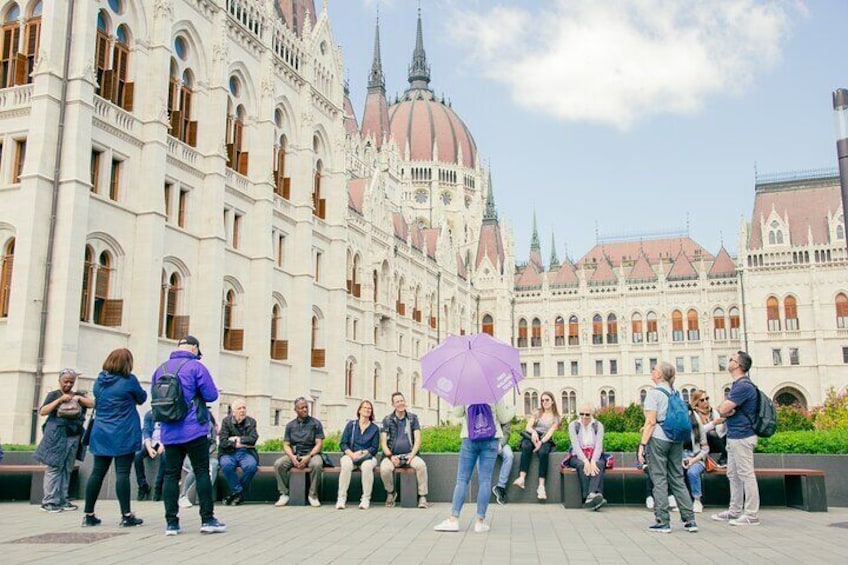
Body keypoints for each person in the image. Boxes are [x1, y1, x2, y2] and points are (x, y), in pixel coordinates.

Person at [151, 335, 225, 535]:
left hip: (169, 432)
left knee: (171, 475)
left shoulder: (161, 369)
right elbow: (211, 395)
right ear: (194, 349)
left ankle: (171, 523)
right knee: (201, 471)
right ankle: (207, 519)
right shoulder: (196, 367)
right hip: (193, 429)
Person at [82, 348, 146, 527]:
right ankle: (126, 515)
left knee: (97, 472)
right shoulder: (129, 381)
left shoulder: (99, 381)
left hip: (101, 432)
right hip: (123, 432)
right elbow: (141, 398)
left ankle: (88, 514)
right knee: (123, 473)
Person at [638, 361, 698, 533]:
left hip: (659, 438)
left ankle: (663, 520)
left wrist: (642, 445)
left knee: (659, 478)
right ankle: (690, 520)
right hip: (676, 439)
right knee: (677, 477)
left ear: (659, 375)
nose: (652, 371)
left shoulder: (654, 394)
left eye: (654, 369)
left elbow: (650, 422)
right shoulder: (675, 393)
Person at [434, 402, 512, 533]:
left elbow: (457, 413)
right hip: (491, 438)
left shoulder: (465, 391)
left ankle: (453, 519)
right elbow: (504, 418)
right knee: (485, 480)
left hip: (470, 438)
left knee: (462, 480)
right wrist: (512, 409)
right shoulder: (494, 391)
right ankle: (480, 522)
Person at [34, 368, 94, 512]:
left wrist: (78, 399)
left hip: (74, 435)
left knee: (67, 468)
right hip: (56, 435)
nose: (68, 384)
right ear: (59, 381)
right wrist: (59, 400)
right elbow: (42, 411)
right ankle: (49, 501)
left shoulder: (78, 395)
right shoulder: (53, 395)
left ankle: (63, 499)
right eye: (65, 381)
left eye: (71, 382)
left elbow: (92, 404)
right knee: (54, 467)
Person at [711, 351, 761, 526]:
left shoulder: (743, 386)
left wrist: (725, 408)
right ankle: (735, 510)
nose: (728, 361)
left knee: (746, 474)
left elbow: (723, 409)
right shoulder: (737, 385)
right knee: (733, 474)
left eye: (731, 359)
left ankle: (751, 514)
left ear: (738, 365)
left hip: (743, 435)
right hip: (733, 436)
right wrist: (725, 408)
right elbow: (723, 409)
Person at [380, 392, 429, 508]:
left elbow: (417, 439)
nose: (400, 403)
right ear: (393, 404)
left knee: (421, 465)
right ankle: (391, 492)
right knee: (385, 469)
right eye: (397, 401)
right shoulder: (387, 420)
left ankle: (422, 496)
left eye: (402, 400)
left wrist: (412, 455)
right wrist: (391, 456)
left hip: (409, 455)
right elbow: (383, 442)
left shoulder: (412, 418)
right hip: (392, 456)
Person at [274, 397, 325, 508]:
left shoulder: (316, 424)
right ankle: (284, 494)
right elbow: (286, 444)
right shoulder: (290, 426)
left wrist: (309, 456)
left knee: (317, 464)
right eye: (302, 408)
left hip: (312, 454)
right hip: (295, 454)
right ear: (296, 409)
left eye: (306, 407)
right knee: (279, 464)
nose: (305, 409)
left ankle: (313, 495)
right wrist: (292, 457)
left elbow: (319, 444)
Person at [512, 391, 560, 500]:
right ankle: (521, 478)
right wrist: (533, 432)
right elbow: (528, 427)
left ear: (552, 401)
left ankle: (541, 486)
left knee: (543, 452)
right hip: (532, 436)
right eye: (542, 400)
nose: (544, 402)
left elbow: (550, 433)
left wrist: (541, 443)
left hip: (544, 439)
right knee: (526, 446)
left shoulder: (556, 417)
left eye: (547, 400)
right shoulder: (537, 412)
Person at [336, 400, 380, 510]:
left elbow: (374, 448)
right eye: (365, 407)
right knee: (345, 464)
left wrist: (361, 453)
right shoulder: (351, 425)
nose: (367, 410)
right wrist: (351, 454)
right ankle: (341, 498)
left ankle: (365, 498)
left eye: (369, 408)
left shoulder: (374, 428)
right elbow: (343, 443)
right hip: (351, 456)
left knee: (367, 467)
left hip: (367, 457)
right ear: (359, 410)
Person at [566, 404, 608, 510]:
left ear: (592, 414)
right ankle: (592, 495)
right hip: (578, 455)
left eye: (587, 414)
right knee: (580, 465)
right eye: (581, 414)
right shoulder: (573, 425)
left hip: (594, 454)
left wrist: (593, 460)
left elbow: (599, 445)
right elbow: (575, 445)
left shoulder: (598, 425)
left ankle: (590, 496)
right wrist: (585, 461)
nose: (584, 417)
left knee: (599, 464)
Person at [218, 399, 259, 505]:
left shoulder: (251, 421)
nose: (242, 410)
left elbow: (253, 439)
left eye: (244, 408)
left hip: (246, 452)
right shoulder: (226, 421)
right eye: (239, 408)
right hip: (228, 452)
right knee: (226, 465)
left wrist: (236, 439)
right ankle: (238, 492)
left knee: (251, 467)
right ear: (233, 412)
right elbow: (223, 441)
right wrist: (236, 443)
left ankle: (235, 494)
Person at [178, 413, 219, 508]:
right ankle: (183, 495)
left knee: (214, 464)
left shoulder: (210, 425)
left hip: (205, 456)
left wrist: (207, 452)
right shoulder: (189, 424)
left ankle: (204, 496)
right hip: (189, 456)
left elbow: (213, 443)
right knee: (196, 468)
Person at [682, 393, 711, 514]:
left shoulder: (697, 426)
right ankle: (681, 501)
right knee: (676, 471)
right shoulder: (676, 428)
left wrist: (693, 460)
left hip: (697, 457)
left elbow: (705, 449)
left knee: (692, 472)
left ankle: (697, 500)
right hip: (681, 457)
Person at [133, 410, 166, 501]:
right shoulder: (149, 414)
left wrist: (163, 444)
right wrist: (149, 448)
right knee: (137, 456)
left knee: (165, 457)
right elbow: (146, 432)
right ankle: (143, 486)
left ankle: (158, 487)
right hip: (151, 443)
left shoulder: (167, 412)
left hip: (164, 442)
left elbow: (171, 431)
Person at [691, 389, 727, 466]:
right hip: (703, 442)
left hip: (717, 441)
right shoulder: (694, 414)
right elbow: (698, 431)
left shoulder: (713, 412)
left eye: (707, 399)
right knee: (711, 433)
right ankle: (724, 456)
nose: (705, 401)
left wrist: (724, 423)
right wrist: (713, 423)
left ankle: (725, 456)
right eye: (702, 400)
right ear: (696, 402)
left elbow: (720, 431)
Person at [491, 403, 515, 505]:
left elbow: (506, 433)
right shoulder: (486, 411)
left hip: (501, 443)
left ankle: (500, 487)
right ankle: (484, 487)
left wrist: (500, 444)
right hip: (487, 442)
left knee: (509, 455)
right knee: (480, 457)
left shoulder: (505, 414)